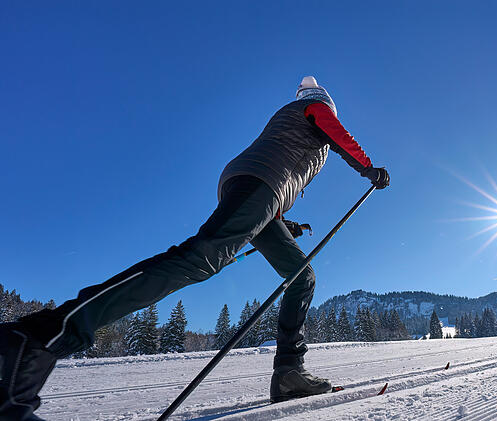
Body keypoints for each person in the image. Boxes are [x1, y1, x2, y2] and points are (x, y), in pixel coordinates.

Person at [0, 76, 390, 418]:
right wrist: (368, 167)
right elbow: (335, 133)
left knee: (301, 276)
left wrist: (284, 223)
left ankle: (289, 371)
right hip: (260, 183)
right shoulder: (315, 107)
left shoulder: (292, 124)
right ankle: (42, 336)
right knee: (201, 260)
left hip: (261, 191)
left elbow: (280, 171)